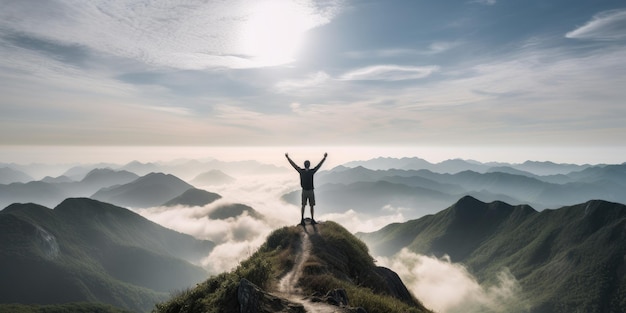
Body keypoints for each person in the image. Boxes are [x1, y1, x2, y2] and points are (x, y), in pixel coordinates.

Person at [285, 152, 327, 226]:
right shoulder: (311, 171)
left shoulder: (302, 171)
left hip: (304, 191)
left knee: (303, 205)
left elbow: (294, 165)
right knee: (311, 205)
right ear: (309, 165)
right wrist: (324, 158)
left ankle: (302, 220)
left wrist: (288, 158)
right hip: (310, 191)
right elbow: (319, 165)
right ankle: (312, 219)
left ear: (304, 165)